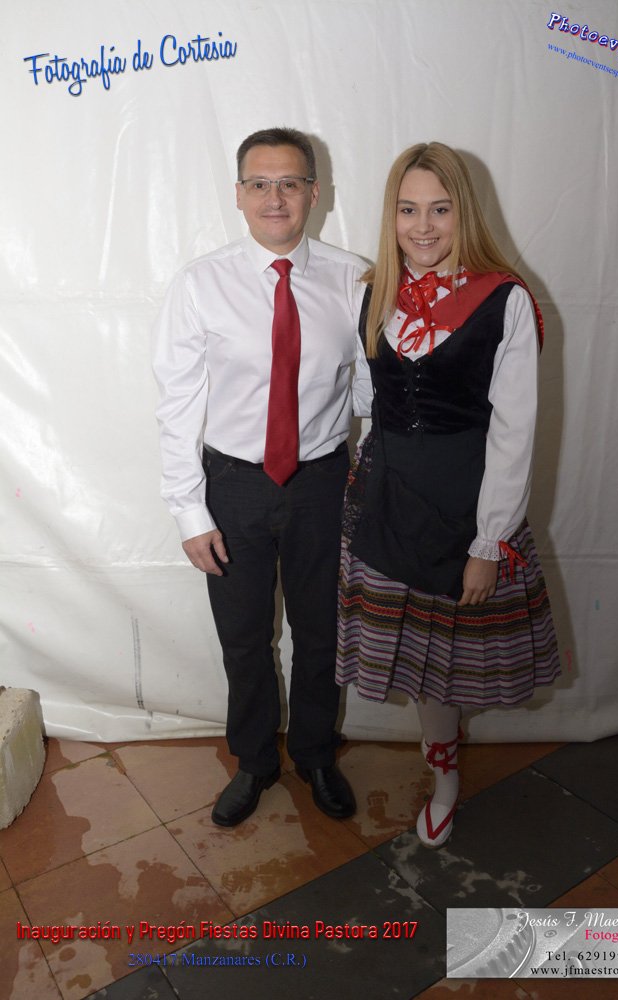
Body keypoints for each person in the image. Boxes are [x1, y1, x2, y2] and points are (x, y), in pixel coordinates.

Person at [336, 142, 560, 848]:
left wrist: (489, 541)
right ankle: (442, 763)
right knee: (419, 664)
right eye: (408, 210)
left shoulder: (504, 299)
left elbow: (515, 432)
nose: (422, 227)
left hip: (466, 506)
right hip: (385, 499)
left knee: (449, 660)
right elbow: (366, 398)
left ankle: (445, 778)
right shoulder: (373, 293)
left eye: (440, 209)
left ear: (465, 212)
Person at [153, 127, 372, 827]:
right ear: (239, 194)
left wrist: (371, 484)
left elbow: (370, 391)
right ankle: (253, 760)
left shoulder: (356, 279)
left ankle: (314, 753)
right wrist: (189, 512)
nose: (275, 198)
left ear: (315, 192)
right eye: (260, 184)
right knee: (244, 636)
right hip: (234, 485)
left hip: (322, 483)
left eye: (289, 183)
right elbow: (176, 404)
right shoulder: (200, 284)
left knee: (320, 631)